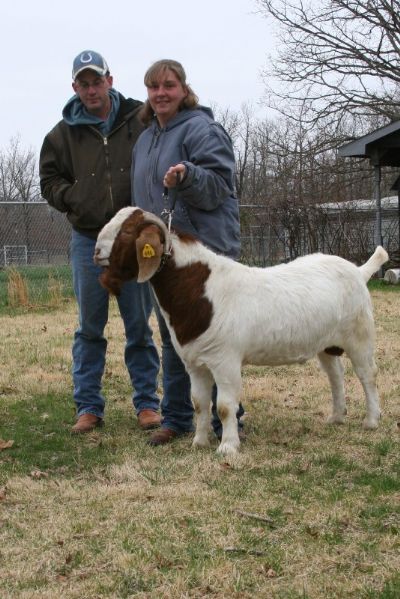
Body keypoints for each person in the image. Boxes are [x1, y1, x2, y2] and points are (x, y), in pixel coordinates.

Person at [39, 50, 161, 434]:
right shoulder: (60, 135)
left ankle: (147, 404)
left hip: (133, 237)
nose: (92, 89)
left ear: (110, 79)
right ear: (75, 88)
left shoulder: (141, 119)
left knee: (139, 326)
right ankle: (89, 406)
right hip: (88, 240)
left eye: (97, 81)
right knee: (89, 328)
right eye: (84, 83)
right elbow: (49, 182)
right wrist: (75, 199)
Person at [131, 59, 244, 445]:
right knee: (175, 337)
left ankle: (226, 421)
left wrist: (187, 175)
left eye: (169, 85)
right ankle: (178, 417)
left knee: (217, 339)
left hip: (207, 254)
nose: (161, 93)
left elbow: (219, 186)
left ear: (183, 88)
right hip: (167, 257)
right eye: (153, 86)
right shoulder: (146, 138)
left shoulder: (202, 129)